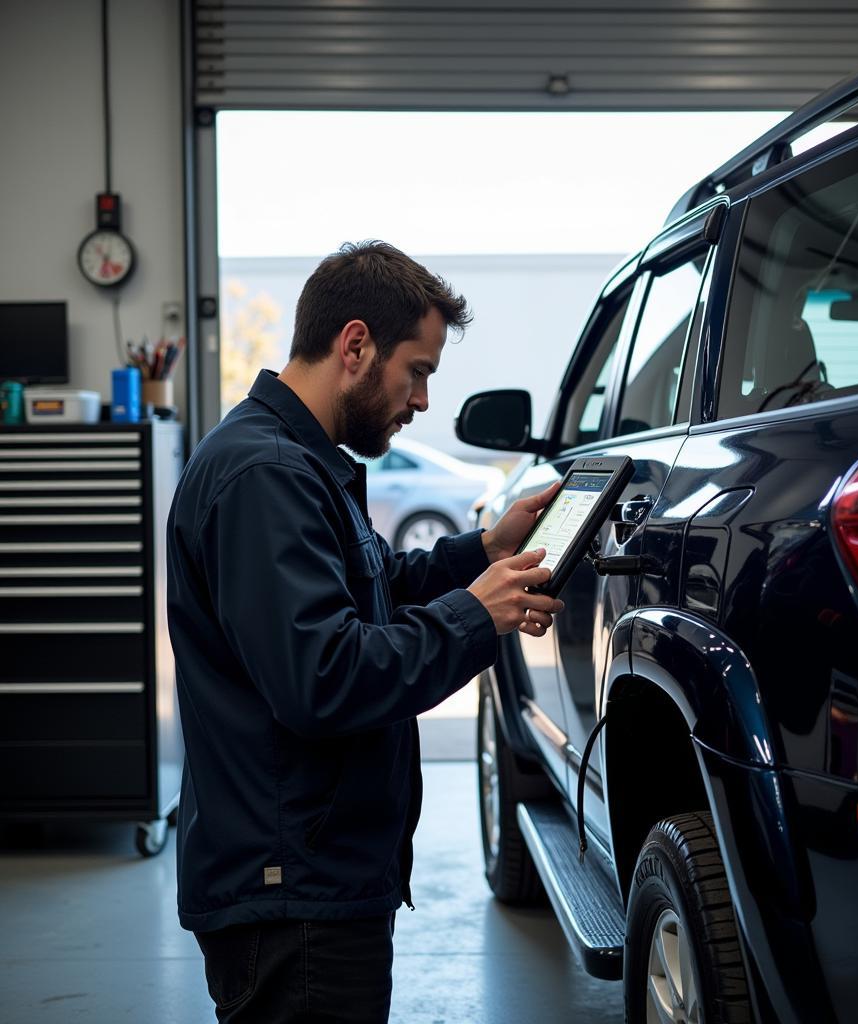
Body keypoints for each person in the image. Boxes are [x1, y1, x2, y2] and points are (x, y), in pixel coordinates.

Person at [166, 241, 564, 1023]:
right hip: (293, 896)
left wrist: (483, 552)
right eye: (417, 371)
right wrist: (475, 615)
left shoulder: (297, 461)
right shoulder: (266, 476)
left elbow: (375, 586)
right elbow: (325, 675)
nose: (420, 402)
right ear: (355, 346)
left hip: (307, 871)